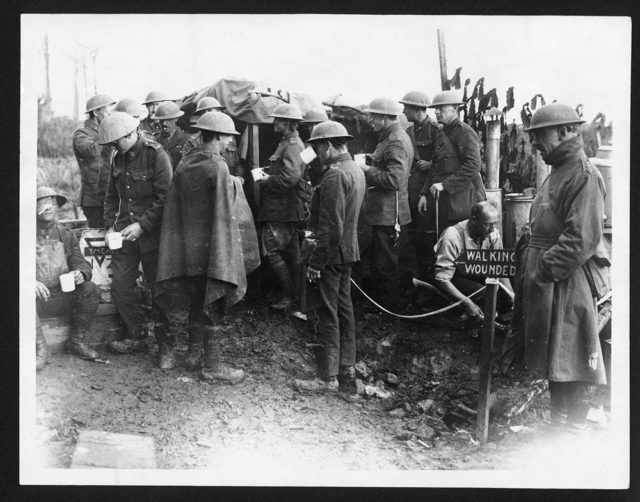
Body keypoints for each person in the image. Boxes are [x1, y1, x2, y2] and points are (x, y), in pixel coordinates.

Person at [518, 103, 609, 430]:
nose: (536, 144)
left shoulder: (584, 175)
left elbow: (581, 238)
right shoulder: (558, 170)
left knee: (568, 358)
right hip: (549, 281)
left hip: (566, 282)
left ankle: (567, 435)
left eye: (540, 135)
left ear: (567, 131)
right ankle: (560, 430)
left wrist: (542, 271)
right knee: (556, 362)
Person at [155, 111, 260, 383]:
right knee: (214, 299)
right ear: (217, 136)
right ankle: (212, 367)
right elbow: (225, 214)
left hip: (188, 250)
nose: (229, 143)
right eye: (227, 138)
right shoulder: (218, 166)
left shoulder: (184, 163)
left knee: (195, 297)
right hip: (212, 247)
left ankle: (193, 353)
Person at [293, 121, 365, 394]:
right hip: (347, 253)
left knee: (327, 312)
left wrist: (315, 262)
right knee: (344, 311)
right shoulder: (355, 170)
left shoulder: (335, 175)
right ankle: (347, 372)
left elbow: (331, 228)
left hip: (331, 256)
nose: (317, 153)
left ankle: (327, 378)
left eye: (318, 147)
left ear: (329, 145)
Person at [98, 112, 175, 367]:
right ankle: (137, 334)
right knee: (120, 284)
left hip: (153, 234)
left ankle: (167, 346)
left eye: (116, 142)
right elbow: (112, 195)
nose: (113, 147)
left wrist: (142, 225)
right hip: (124, 234)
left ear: (131, 134)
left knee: (159, 289)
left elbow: (166, 198)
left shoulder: (157, 154)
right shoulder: (116, 157)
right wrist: (110, 226)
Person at [36, 186, 102, 369]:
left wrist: (80, 273)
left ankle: (75, 341)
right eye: (42, 203)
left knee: (90, 289)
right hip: (35, 301)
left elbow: (82, 264)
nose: (47, 207)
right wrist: (27, 282)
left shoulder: (66, 235)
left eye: (51, 203)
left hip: (61, 295)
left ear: (57, 208)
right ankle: (41, 350)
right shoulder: (23, 234)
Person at [358, 96, 413, 306]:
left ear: (384, 117)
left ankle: (389, 311)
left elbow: (394, 180)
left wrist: (367, 170)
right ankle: (382, 306)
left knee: (386, 266)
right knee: (380, 262)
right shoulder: (388, 138)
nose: (370, 120)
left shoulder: (396, 141)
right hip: (383, 213)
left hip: (389, 215)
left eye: (374, 116)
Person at [433, 202, 513, 335]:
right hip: (453, 276)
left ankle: (496, 322)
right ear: (474, 221)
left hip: (474, 270)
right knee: (486, 294)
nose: (492, 229)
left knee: (509, 288)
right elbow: (442, 279)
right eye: (487, 224)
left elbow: (499, 266)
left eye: (494, 224)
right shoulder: (453, 236)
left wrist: (512, 296)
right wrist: (468, 303)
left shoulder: (492, 233)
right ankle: (472, 327)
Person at [256, 102, 306, 310]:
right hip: (285, 208)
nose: (273, 122)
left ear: (286, 123)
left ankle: (288, 296)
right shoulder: (287, 143)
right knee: (293, 253)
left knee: (270, 250)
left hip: (282, 208)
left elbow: (290, 178)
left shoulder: (292, 145)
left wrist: (267, 179)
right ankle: (298, 297)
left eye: (277, 119)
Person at [418, 91, 486, 241]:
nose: (436, 112)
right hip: (443, 202)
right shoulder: (441, 132)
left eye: (441, 108)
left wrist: (445, 185)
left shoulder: (465, 133)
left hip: (461, 202)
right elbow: (435, 166)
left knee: (460, 245)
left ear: (455, 109)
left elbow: (473, 165)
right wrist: (424, 193)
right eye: (435, 108)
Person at [398, 91, 441, 282]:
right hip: (412, 191)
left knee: (427, 240)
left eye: (406, 107)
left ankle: (431, 284)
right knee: (412, 238)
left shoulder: (436, 130)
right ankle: (417, 283)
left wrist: (431, 164)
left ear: (417, 109)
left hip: (429, 192)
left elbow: (447, 160)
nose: (404, 111)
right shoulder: (408, 132)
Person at [72, 94, 115, 228]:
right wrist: (107, 133)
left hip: (110, 193)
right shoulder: (81, 133)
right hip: (94, 198)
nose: (110, 116)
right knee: (98, 235)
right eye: (107, 112)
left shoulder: (106, 130)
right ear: (96, 112)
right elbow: (91, 151)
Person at [182, 97, 245, 178]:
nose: (219, 113)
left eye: (219, 110)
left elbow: (237, 162)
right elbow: (188, 173)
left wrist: (239, 177)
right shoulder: (193, 142)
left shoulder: (229, 137)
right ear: (202, 114)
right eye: (215, 110)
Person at [151, 101, 190, 170]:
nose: (164, 123)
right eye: (161, 120)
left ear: (176, 118)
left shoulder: (188, 140)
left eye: (168, 119)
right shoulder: (153, 140)